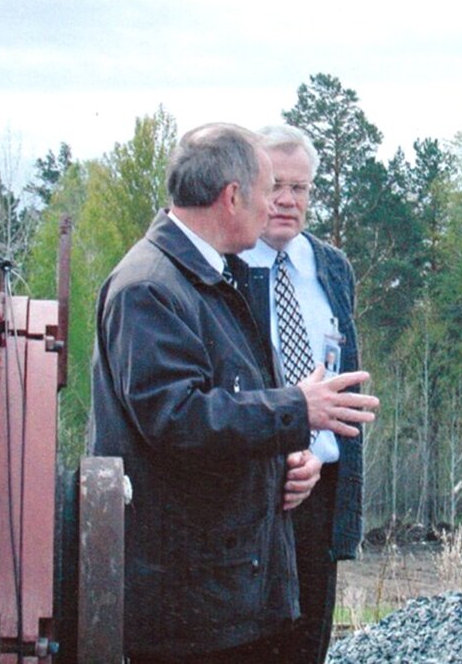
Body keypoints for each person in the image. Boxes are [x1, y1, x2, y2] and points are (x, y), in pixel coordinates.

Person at [89, 123, 379, 663]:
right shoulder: (151, 286)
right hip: (189, 585)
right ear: (232, 197)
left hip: (227, 567)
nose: (276, 206)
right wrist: (297, 409)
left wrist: (285, 454)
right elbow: (178, 419)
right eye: (269, 190)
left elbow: (229, 397)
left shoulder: (205, 275)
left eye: (296, 189)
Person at [239, 124, 362, 664]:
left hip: (322, 491)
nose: (287, 200)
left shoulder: (331, 267)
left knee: (307, 645)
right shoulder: (226, 267)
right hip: (253, 487)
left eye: (300, 188)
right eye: (275, 186)